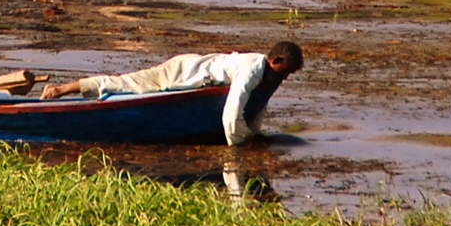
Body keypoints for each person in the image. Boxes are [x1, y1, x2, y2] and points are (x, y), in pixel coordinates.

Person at [40, 41, 303, 146]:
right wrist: (242, 145)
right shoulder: (251, 70)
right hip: (181, 73)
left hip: (194, 72)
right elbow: (232, 114)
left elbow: (257, 106)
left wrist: (255, 134)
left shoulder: (269, 75)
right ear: (275, 60)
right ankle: (59, 89)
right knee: (125, 84)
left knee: (125, 84)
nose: (286, 77)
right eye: (286, 71)